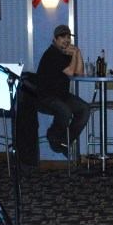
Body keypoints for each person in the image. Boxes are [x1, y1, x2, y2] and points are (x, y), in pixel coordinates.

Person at [34, 24, 90, 156]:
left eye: (68, 37)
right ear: (55, 39)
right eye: (62, 37)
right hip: (45, 97)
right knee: (65, 111)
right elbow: (71, 72)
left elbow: (79, 73)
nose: (66, 40)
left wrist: (77, 53)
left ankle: (65, 141)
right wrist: (74, 54)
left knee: (85, 109)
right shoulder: (52, 53)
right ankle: (53, 136)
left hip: (61, 95)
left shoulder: (64, 54)